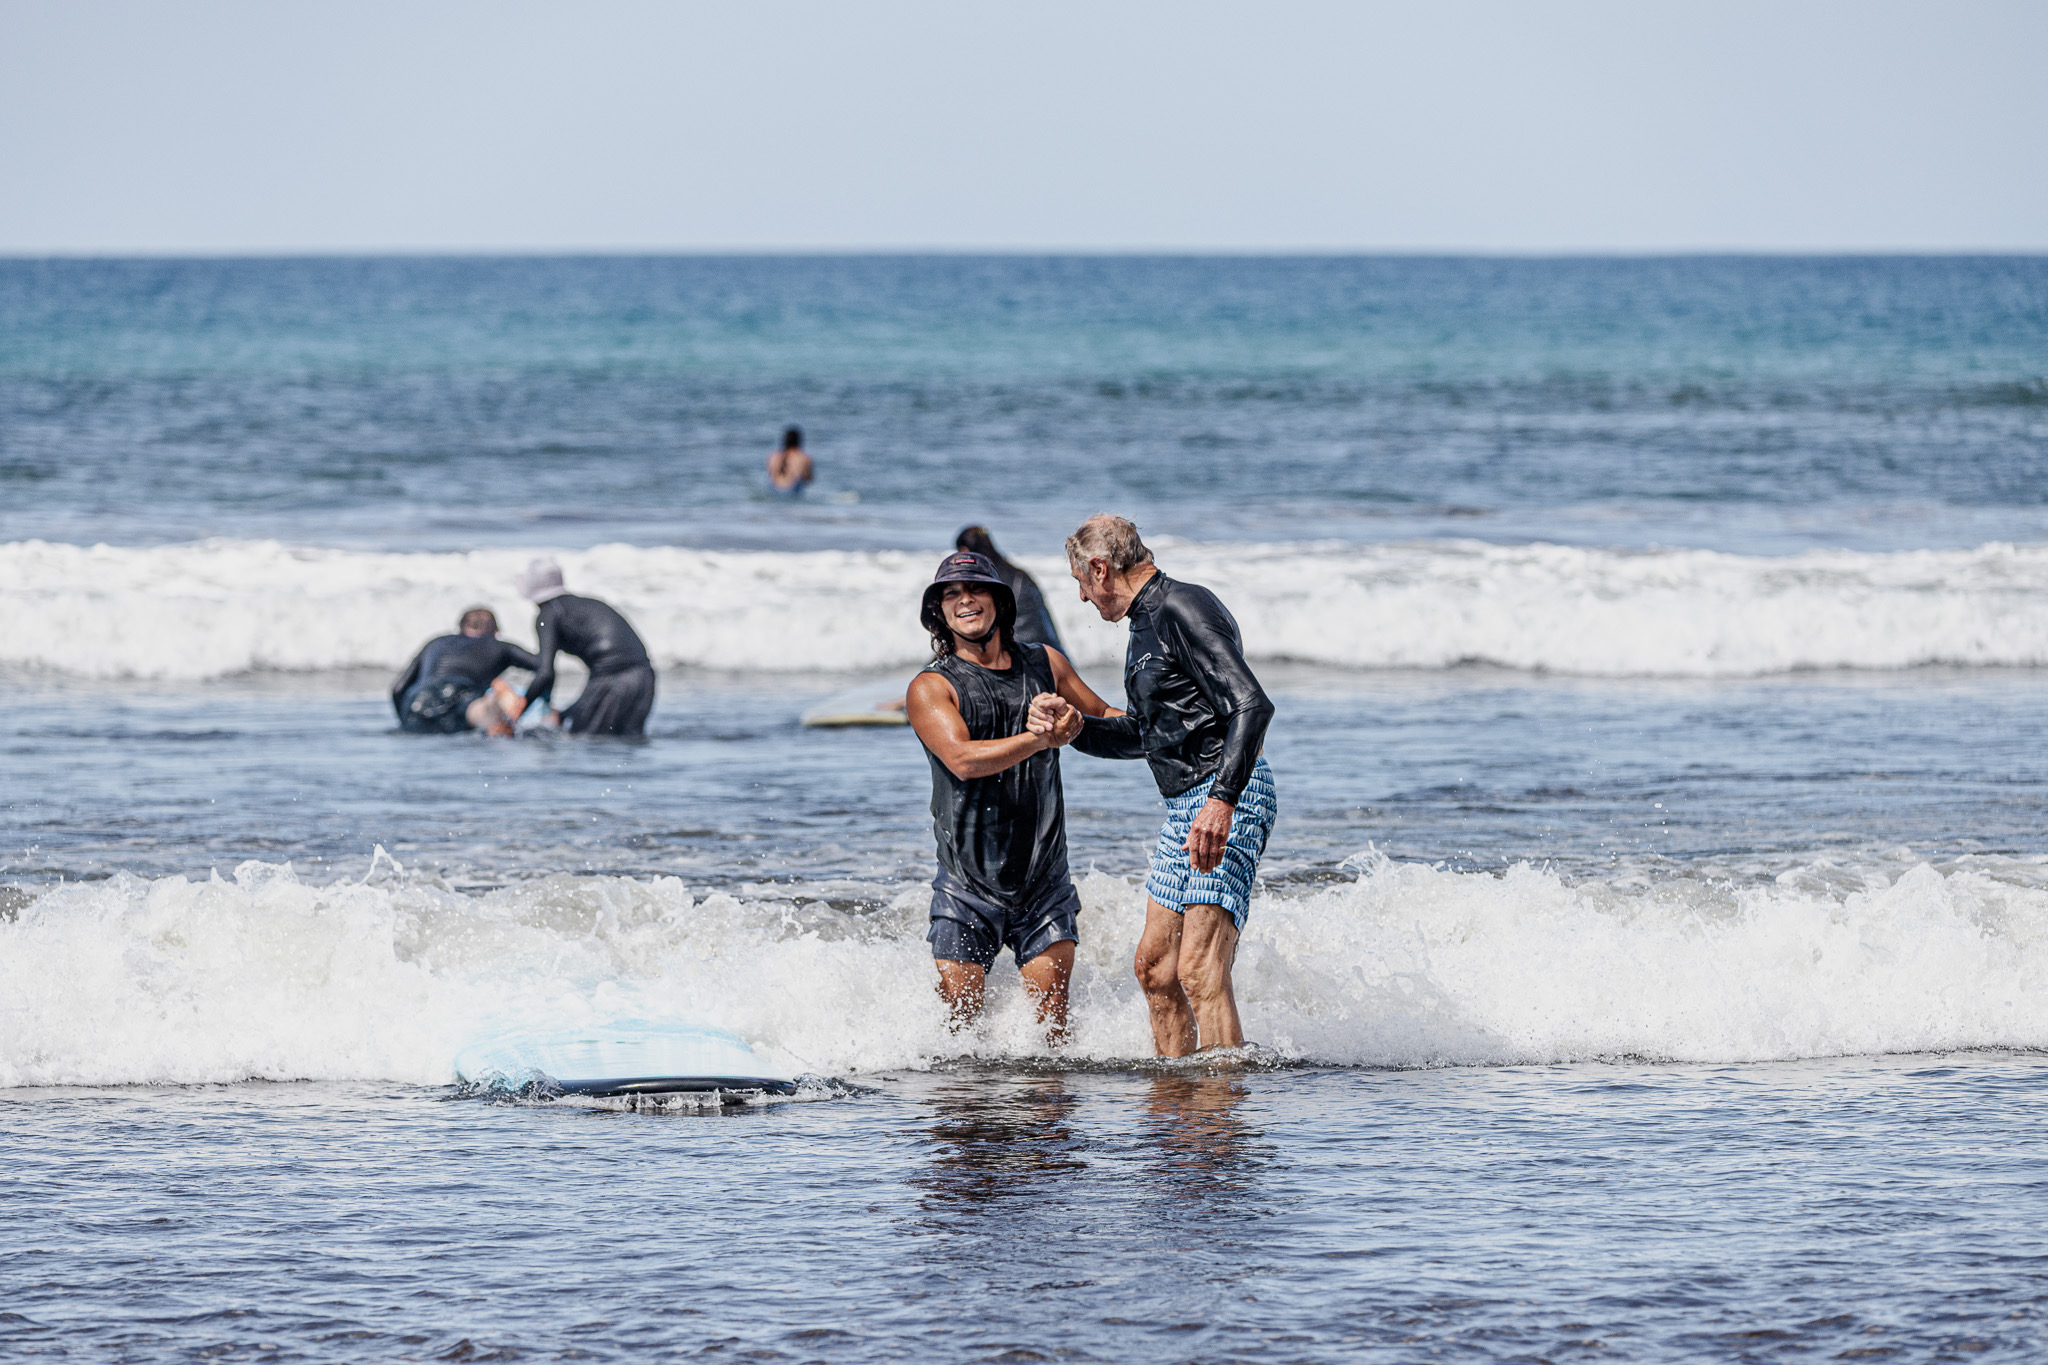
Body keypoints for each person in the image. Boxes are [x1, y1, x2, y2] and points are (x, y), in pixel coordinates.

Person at [1029, 514, 1277, 1059]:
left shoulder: (1182, 607)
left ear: (1099, 568)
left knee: (1197, 968)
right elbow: (1147, 735)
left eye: (1079, 583)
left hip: (1225, 793)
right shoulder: (1143, 627)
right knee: (1156, 968)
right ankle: (1179, 1111)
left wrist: (1222, 800)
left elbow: (1252, 705)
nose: (1082, 599)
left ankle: (1219, 1121)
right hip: (1184, 806)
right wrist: (1075, 731)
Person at [905, 550, 1118, 1044]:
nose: (965, 600)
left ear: (1000, 600)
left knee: (1053, 1039)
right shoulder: (931, 686)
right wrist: (1041, 740)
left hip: (1043, 883)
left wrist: (1182, 734)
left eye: (975, 589)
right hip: (966, 887)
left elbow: (1104, 719)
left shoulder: (1046, 664)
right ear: (938, 612)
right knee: (959, 1039)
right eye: (951, 595)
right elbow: (962, 759)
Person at [516, 559, 658, 737]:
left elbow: (545, 673)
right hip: (644, 678)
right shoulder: (587, 604)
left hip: (613, 683)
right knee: (628, 742)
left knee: (588, 742)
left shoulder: (548, 615)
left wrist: (515, 713)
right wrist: (563, 714)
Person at [390, 608, 539, 736]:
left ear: (460, 627)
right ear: (495, 631)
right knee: (479, 711)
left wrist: (405, 720)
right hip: (461, 694)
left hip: (418, 703)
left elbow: (398, 689)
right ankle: (490, 708)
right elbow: (543, 667)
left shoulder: (435, 642)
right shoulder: (499, 646)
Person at [955, 526, 1065, 652]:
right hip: (1053, 652)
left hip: (1021, 656)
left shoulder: (983, 582)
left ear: (964, 551)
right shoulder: (1020, 575)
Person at [767, 426, 814, 494]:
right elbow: (808, 478)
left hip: (774, 489)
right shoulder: (803, 457)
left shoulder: (773, 456)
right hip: (792, 490)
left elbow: (770, 475)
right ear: (799, 441)